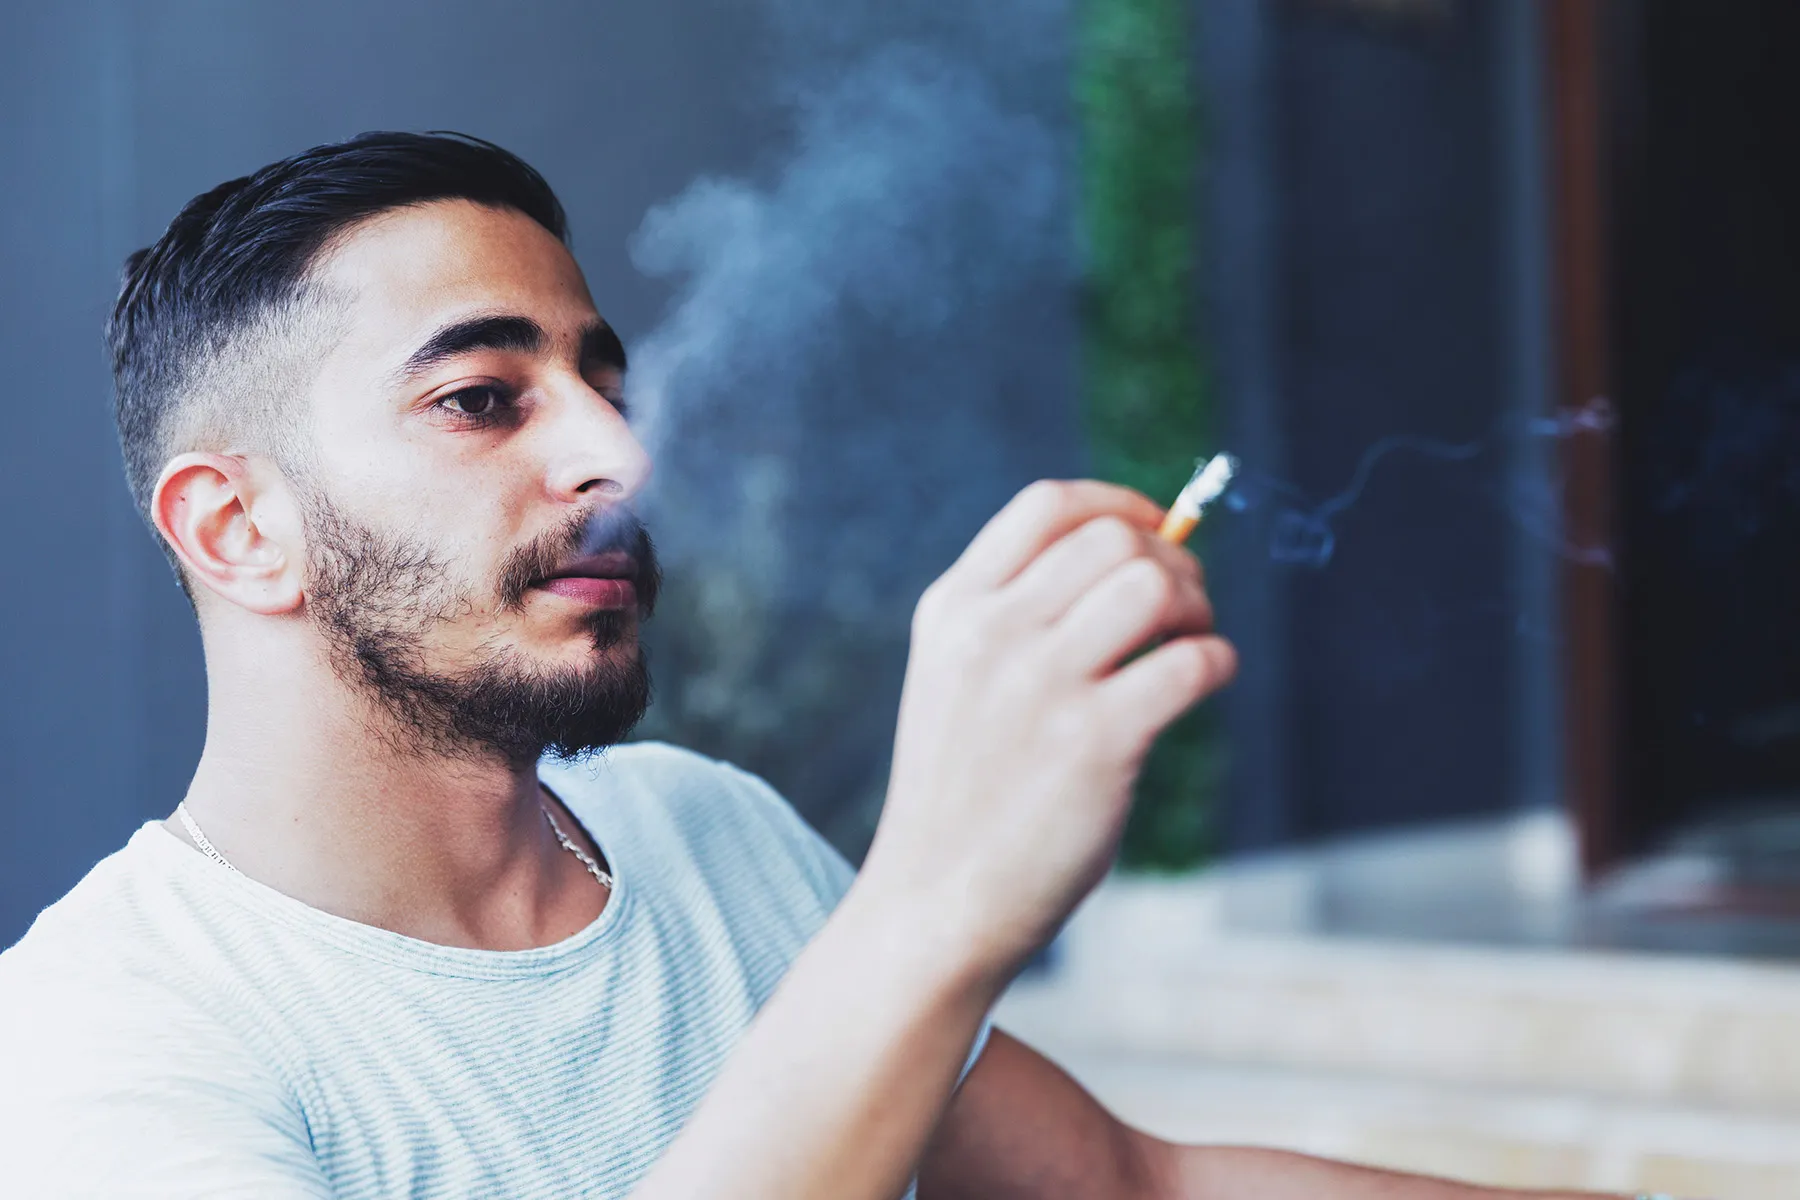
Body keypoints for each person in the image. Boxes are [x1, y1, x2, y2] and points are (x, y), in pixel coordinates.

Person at [0, 132, 1633, 1199]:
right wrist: (932, 908)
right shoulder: (104, 1051)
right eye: (483, 399)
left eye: (601, 382)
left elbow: (1132, 1188)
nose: (620, 457)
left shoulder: (697, 825)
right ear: (235, 532)